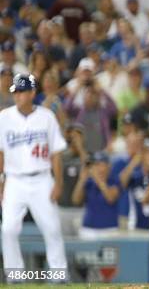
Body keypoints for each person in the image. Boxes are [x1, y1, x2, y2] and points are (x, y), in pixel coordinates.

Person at [0, 74, 68, 279]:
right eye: (16, 92)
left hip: (42, 178)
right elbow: (0, 153)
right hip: (14, 180)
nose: (18, 96)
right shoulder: (4, 117)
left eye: (22, 92)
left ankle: (58, 275)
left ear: (32, 93)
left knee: (52, 228)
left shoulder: (46, 116)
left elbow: (56, 153)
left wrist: (58, 183)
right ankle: (15, 276)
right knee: (9, 228)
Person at [71, 151, 121, 239]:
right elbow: (76, 200)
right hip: (88, 229)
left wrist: (98, 179)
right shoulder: (89, 182)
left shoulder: (114, 180)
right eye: (94, 165)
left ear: (108, 166)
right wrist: (81, 180)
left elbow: (111, 198)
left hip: (109, 230)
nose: (96, 168)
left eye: (99, 164)